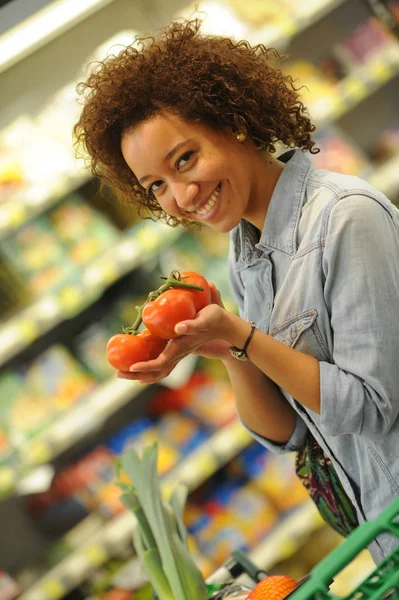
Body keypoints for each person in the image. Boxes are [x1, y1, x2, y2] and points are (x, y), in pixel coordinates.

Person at [74, 19, 399, 564]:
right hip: (381, 533)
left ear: (235, 123)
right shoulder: (247, 253)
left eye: (185, 159)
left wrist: (244, 336)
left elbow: (371, 408)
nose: (181, 195)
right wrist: (226, 349)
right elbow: (288, 434)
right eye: (157, 185)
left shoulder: (345, 218)